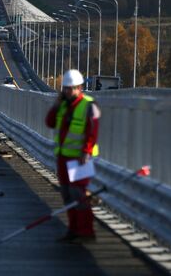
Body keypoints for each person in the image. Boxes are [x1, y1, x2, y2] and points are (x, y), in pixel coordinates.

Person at [45, 69, 101, 244]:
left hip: (80, 158)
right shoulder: (62, 105)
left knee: (79, 195)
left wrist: (86, 151)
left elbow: (92, 131)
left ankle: (86, 230)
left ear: (80, 88)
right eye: (66, 89)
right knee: (68, 195)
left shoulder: (89, 105)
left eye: (72, 88)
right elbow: (50, 122)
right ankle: (74, 229)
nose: (68, 92)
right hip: (63, 156)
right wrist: (56, 104)